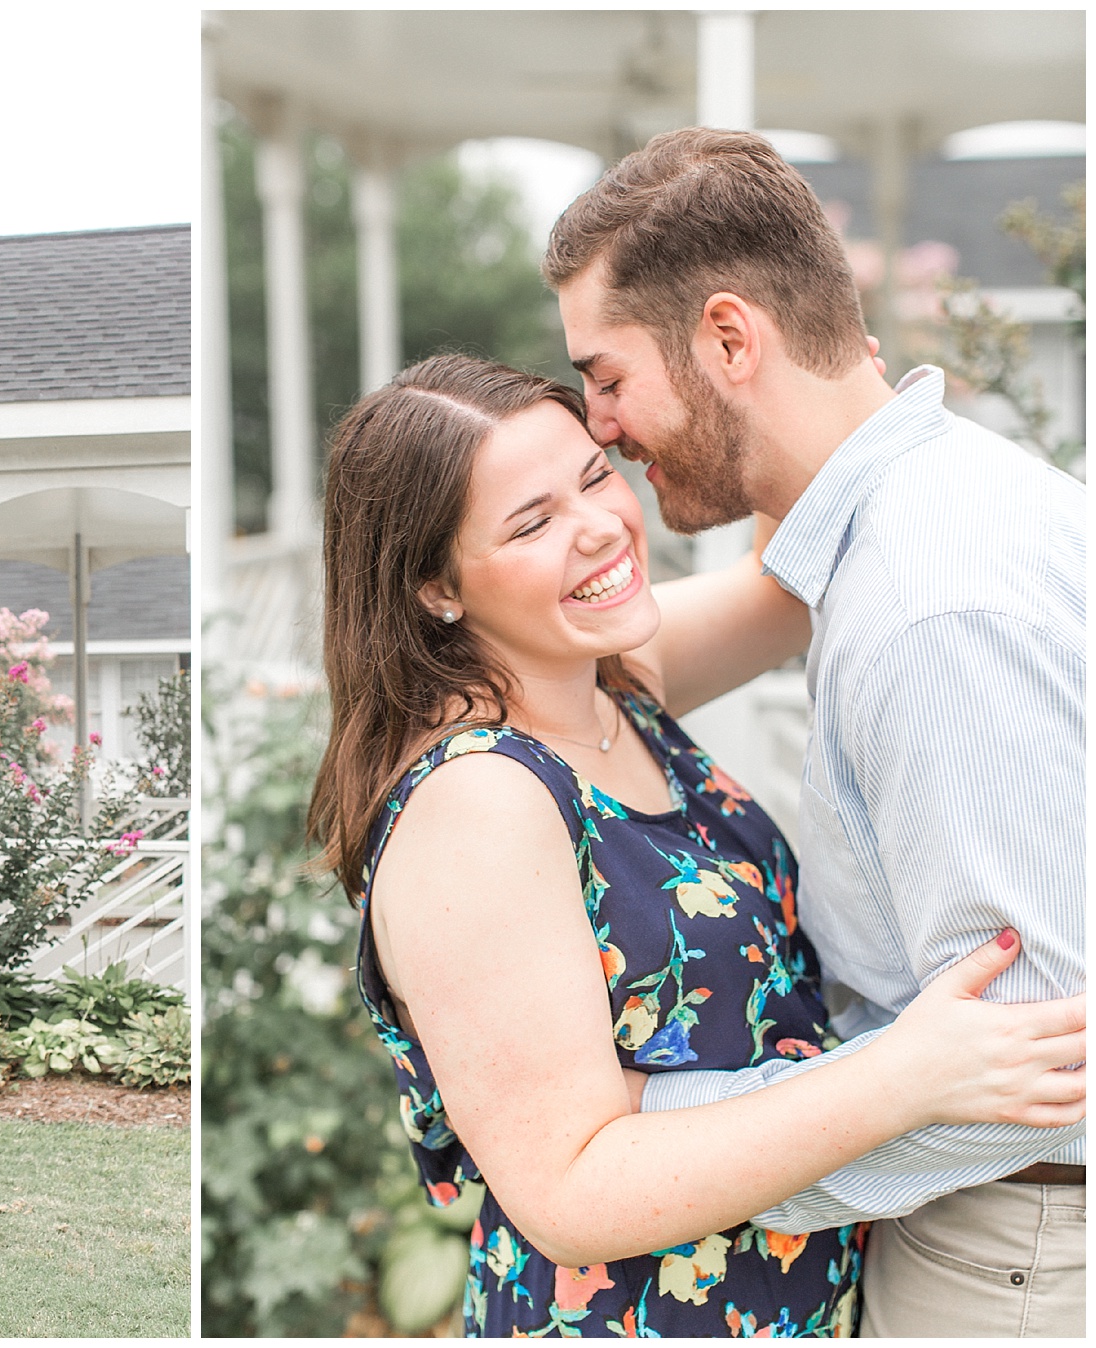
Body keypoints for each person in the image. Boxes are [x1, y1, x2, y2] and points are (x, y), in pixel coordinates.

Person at [309, 352, 1084, 1337]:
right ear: (436, 588)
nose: (599, 526)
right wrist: (905, 1075)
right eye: (531, 522)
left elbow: (778, 582)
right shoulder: (480, 804)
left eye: (594, 475)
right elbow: (569, 1191)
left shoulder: (607, 678)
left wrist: (807, 373)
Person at [544, 127, 1084, 1337]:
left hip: (1016, 1247)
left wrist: (645, 1138)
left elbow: (1045, 1073)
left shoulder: (929, 610)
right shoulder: (935, 506)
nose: (601, 430)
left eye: (609, 376)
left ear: (731, 338)